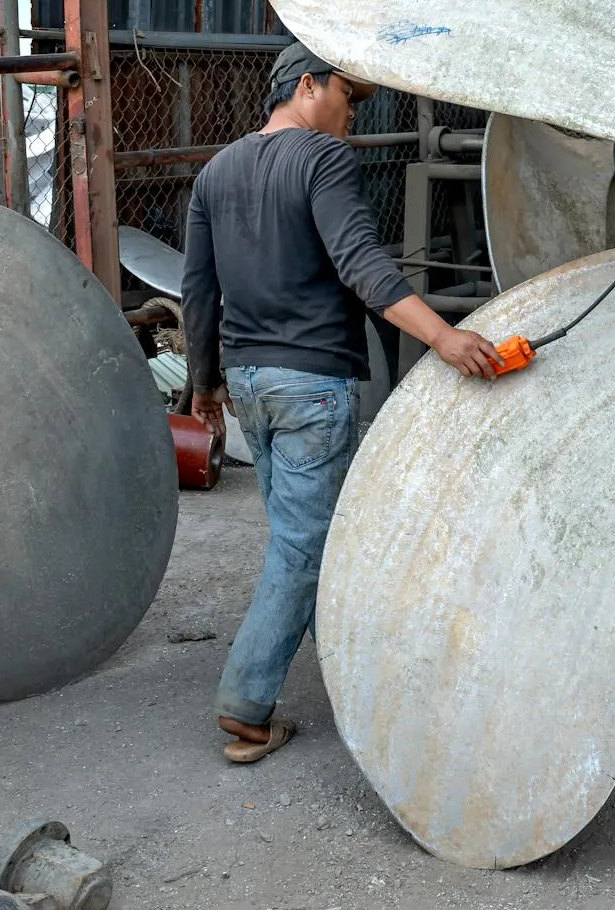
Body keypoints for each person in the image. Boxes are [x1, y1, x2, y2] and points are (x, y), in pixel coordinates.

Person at [181, 41, 503, 763]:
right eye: (347, 99)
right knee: (303, 549)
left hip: (253, 386)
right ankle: (246, 701)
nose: (354, 115)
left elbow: (199, 289)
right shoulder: (323, 161)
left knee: (313, 540)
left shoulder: (215, 173)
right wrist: (443, 338)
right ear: (305, 86)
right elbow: (362, 263)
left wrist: (205, 385)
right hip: (311, 389)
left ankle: (368, 679)